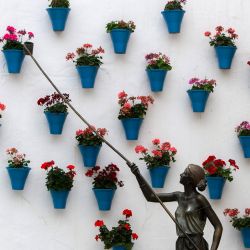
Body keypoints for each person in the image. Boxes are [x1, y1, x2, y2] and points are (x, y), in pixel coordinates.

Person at [129, 163, 223, 250]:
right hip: (180, 244)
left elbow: (218, 226)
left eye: (184, 173)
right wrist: (138, 175)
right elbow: (151, 197)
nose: (181, 174)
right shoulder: (178, 196)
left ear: (190, 180)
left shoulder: (200, 199)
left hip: (196, 244)